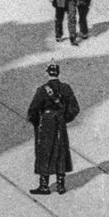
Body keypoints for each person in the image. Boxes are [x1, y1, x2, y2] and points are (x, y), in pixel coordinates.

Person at [27, 62, 80, 196]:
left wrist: (37, 121)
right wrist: (64, 118)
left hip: (46, 123)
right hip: (60, 122)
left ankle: (44, 186)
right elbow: (74, 108)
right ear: (58, 73)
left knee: (45, 151)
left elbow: (33, 110)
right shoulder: (66, 88)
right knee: (60, 150)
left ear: (47, 73)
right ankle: (61, 185)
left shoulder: (42, 90)